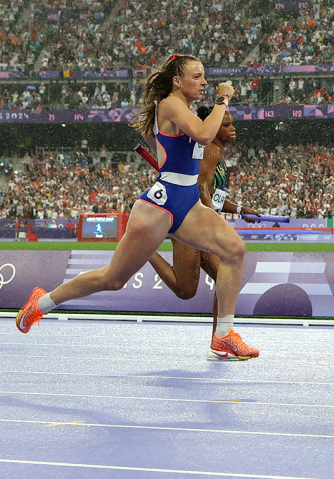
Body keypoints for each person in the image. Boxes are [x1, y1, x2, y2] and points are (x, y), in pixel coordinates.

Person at [15, 54, 258, 360]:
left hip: (188, 205)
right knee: (113, 279)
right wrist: (223, 99)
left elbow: (176, 142)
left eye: (205, 77)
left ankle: (223, 336)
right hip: (160, 206)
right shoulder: (170, 104)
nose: (204, 82)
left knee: (235, 250)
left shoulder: (184, 109)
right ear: (177, 81)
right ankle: (42, 302)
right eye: (197, 77)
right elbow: (205, 134)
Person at [142, 106, 261, 344]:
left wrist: (239, 209)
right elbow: (199, 189)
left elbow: (212, 192)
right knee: (186, 290)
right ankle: (145, 249)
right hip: (190, 223)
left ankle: (221, 339)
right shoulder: (210, 150)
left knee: (223, 278)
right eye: (226, 125)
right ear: (214, 130)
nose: (232, 128)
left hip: (197, 221)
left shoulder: (215, 152)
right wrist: (214, 221)